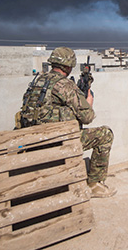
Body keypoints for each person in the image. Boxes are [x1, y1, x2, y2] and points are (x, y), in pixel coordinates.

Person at [17, 47, 116, 198]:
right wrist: (89, 101)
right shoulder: (65, 85)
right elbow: (87, 117)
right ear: (69, 66)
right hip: (55, 141)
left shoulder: (38, 80)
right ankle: (94, 184)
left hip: (32, 139)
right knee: (105, 134)